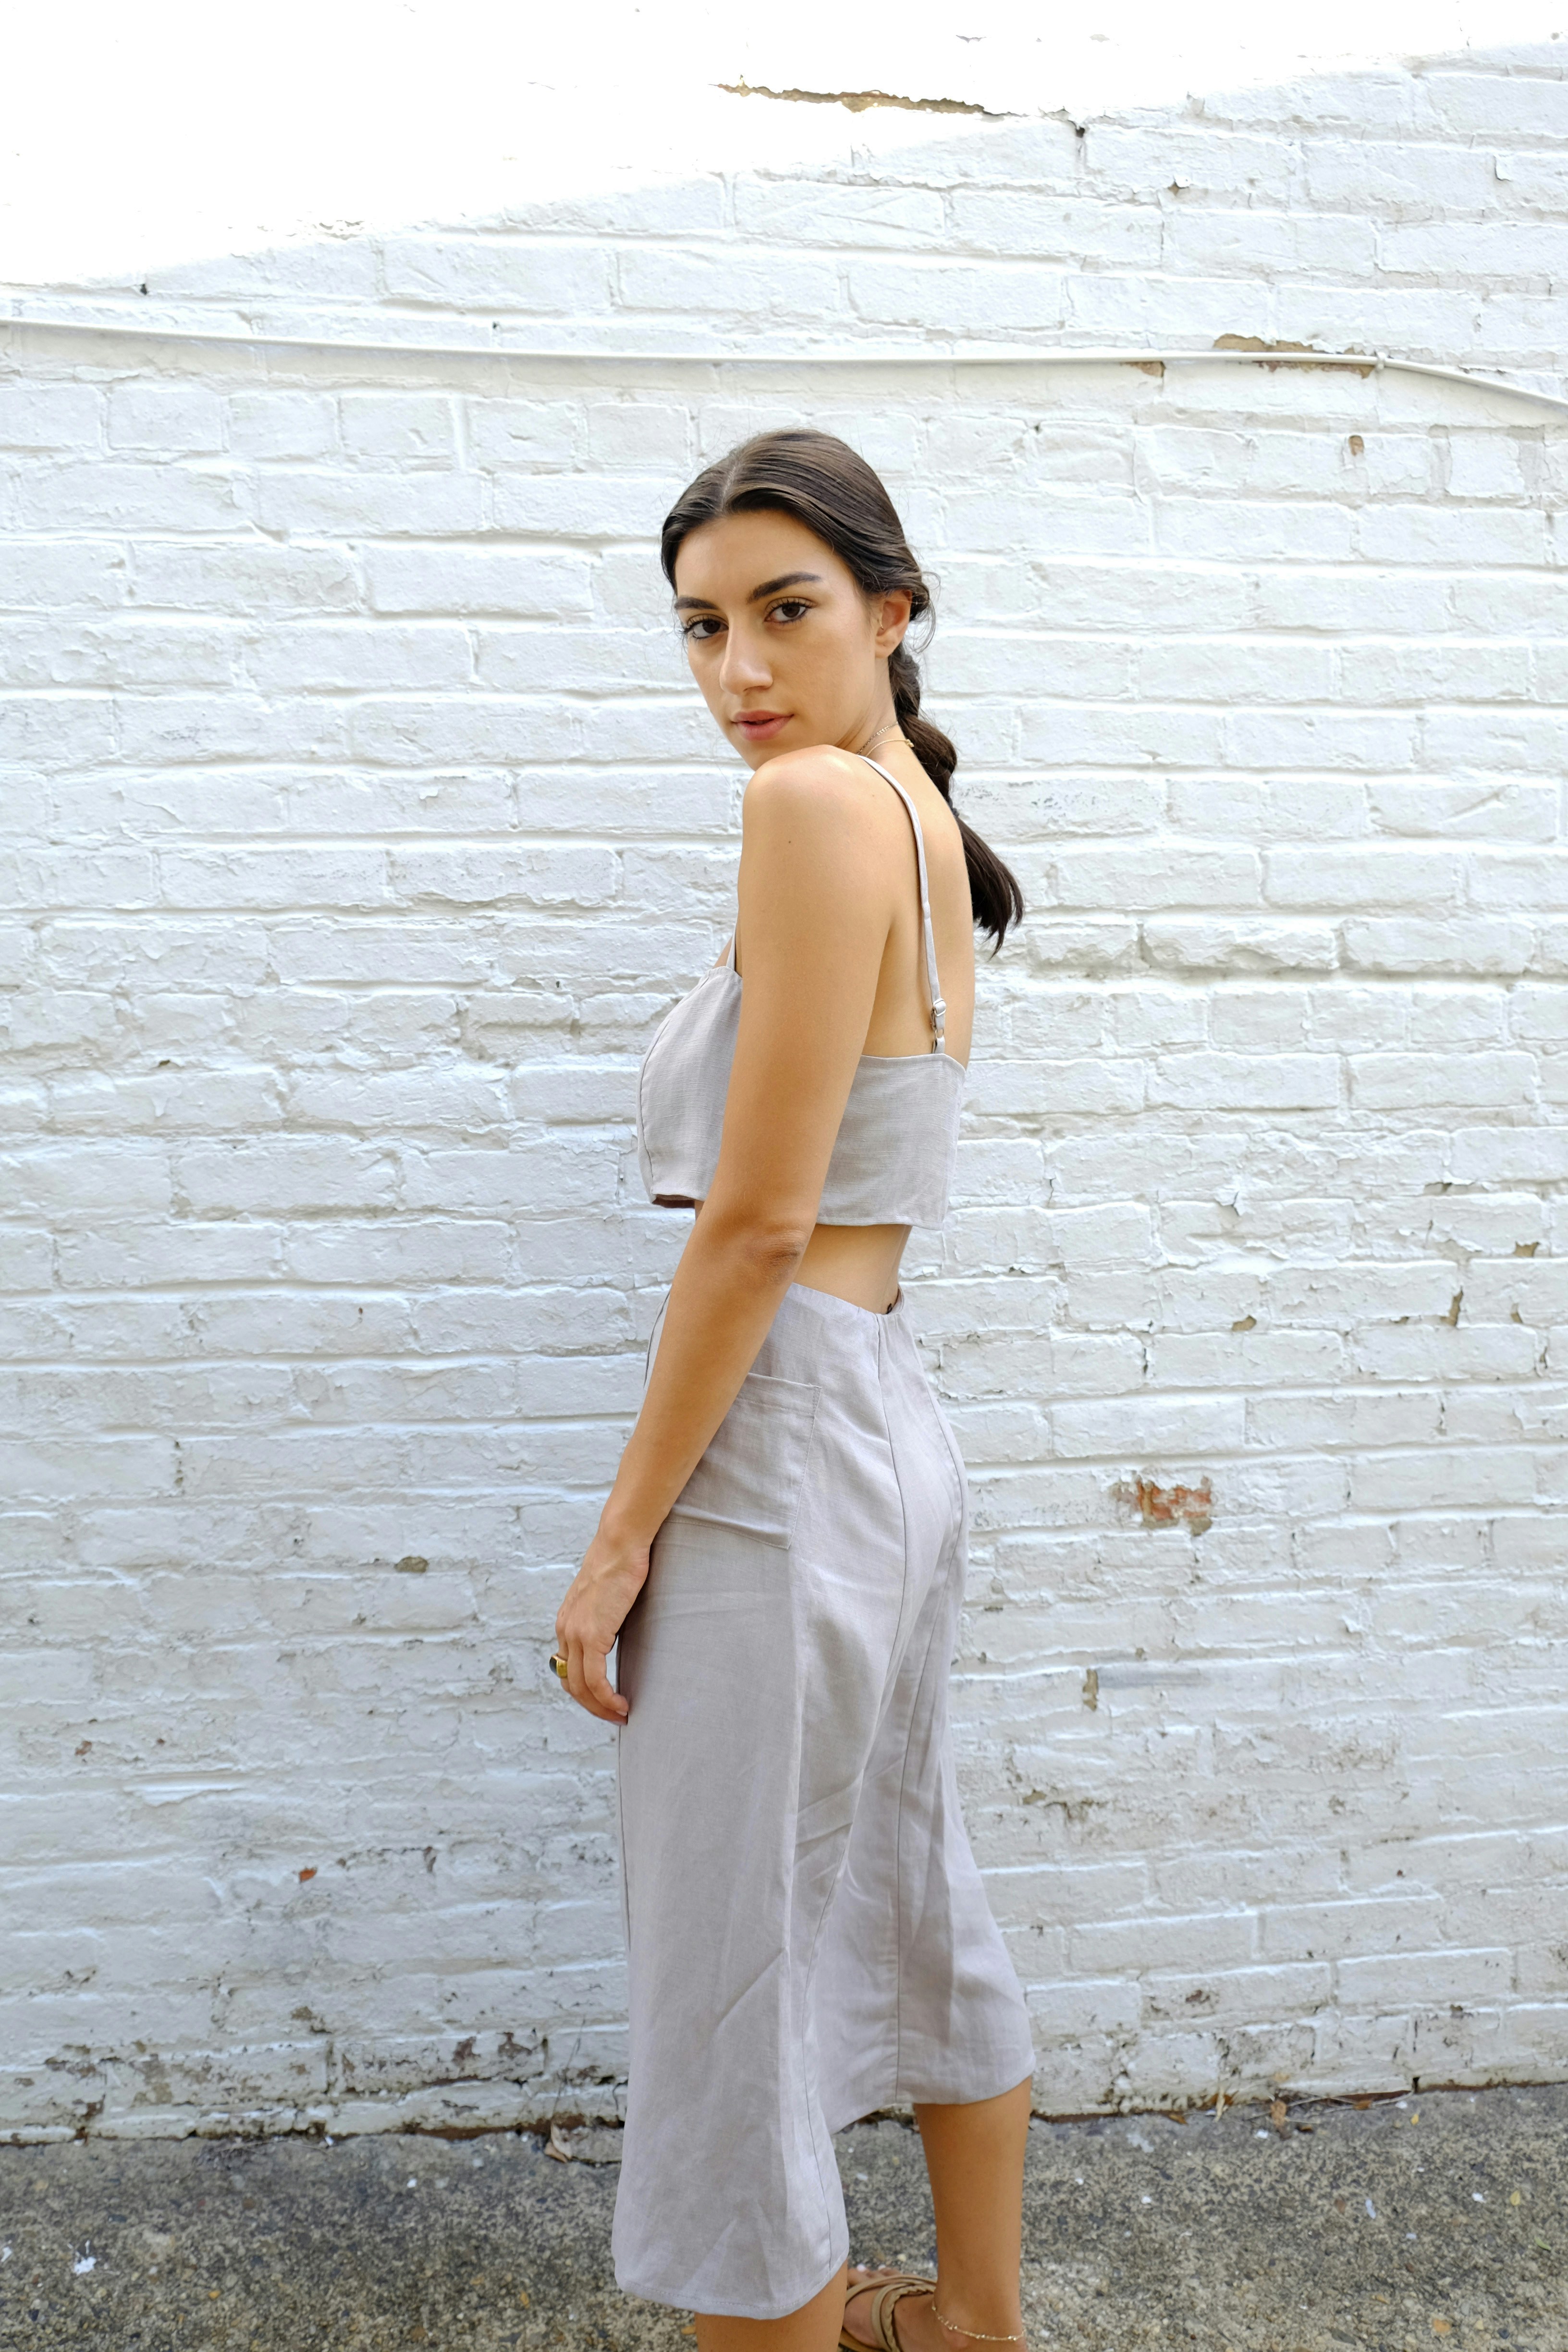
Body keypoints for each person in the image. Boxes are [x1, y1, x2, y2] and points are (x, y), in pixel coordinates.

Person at [551, 429, 1034, 2352]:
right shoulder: (909, 808)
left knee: (731, 1972)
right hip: (887, 1422)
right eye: (698, 627)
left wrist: (615, 1545)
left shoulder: (816, 811)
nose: (737, 668)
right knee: (906, 1883)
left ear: (891, 611)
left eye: (785, 612)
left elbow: (751, 1230)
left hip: (788, 1438)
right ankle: (969, 2321)